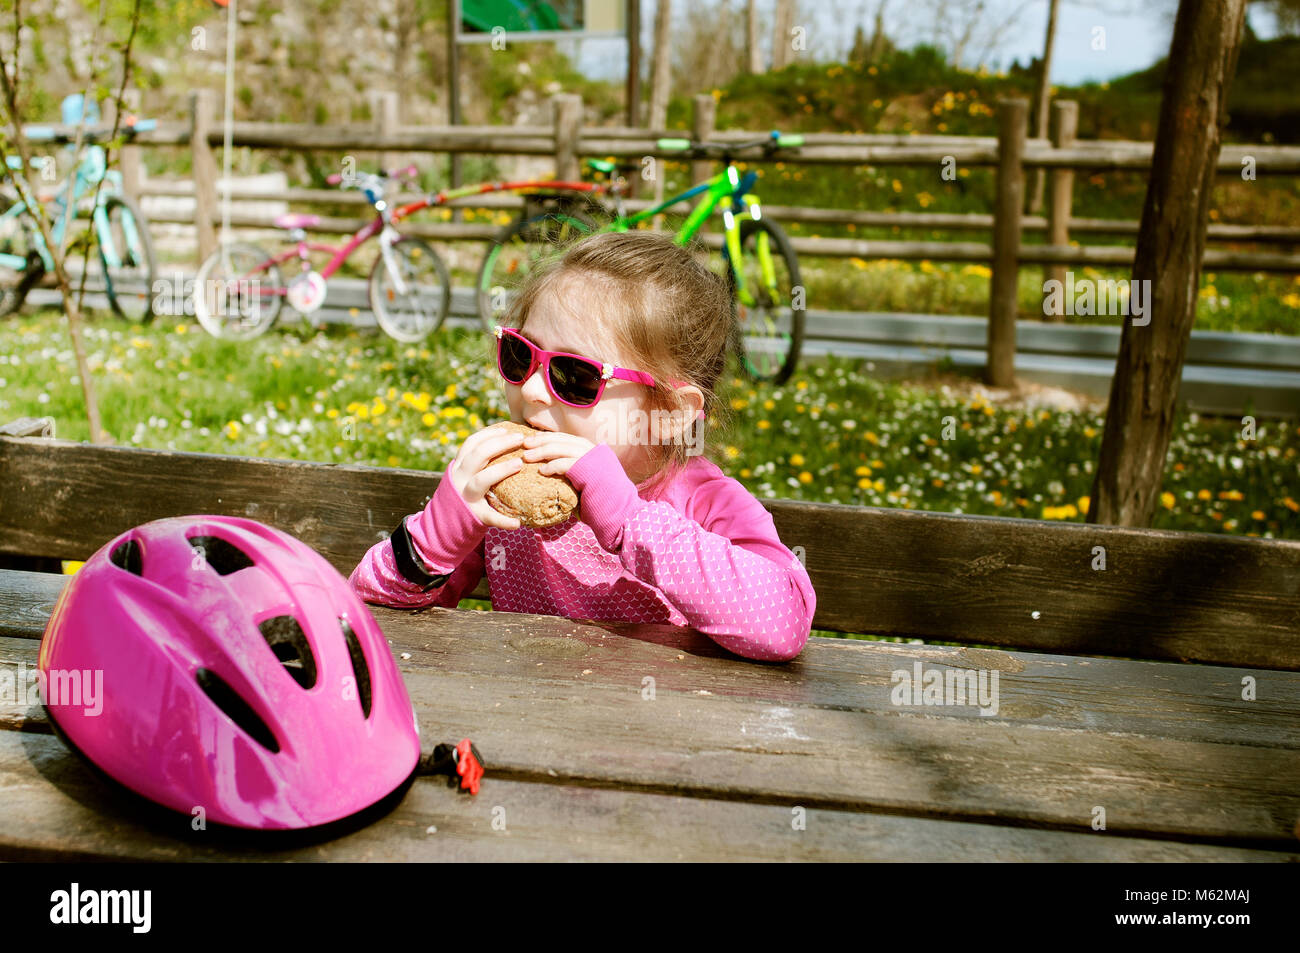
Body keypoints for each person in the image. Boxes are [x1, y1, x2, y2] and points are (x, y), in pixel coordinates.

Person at [349, 230, 815, 662]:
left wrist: (628, 520)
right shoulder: (501, 499)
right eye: (520, 353)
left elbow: (785, 622)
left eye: (574, 376)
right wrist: (434, 537)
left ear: (669, 411)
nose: (531, 390)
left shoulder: (705, 502)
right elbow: (367, 619)